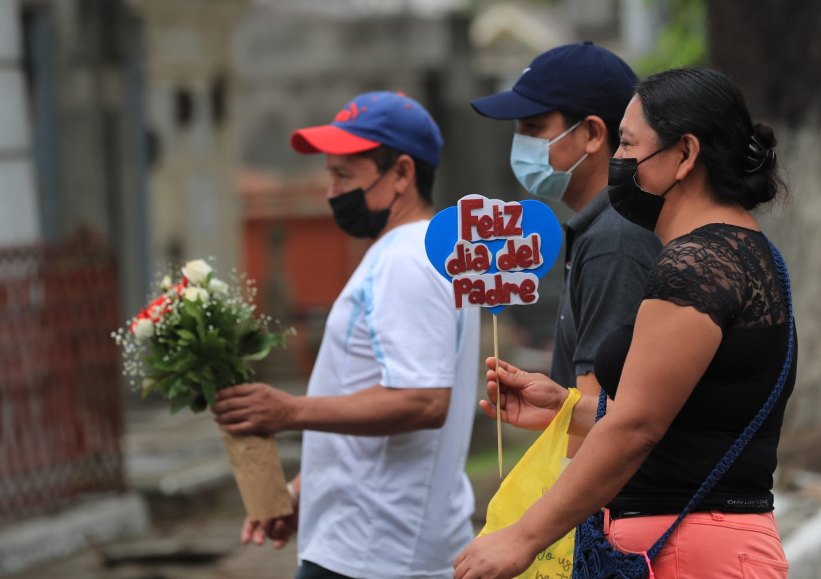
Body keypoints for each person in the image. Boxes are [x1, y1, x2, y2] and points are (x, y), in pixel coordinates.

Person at [454, 67, 795, 579]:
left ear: (685, 154)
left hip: (686, 552)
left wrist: (521, 538)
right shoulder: (742, 250)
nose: (616, 160)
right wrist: (569, 409)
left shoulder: (696, 263)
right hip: (708, 545)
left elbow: (637, 429)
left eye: (628, 145)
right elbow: (689, 417)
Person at [213, 91, 481, 579]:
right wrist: (306, 487)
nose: (332, 192)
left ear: (402, 173)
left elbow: (423, 400)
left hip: (376, 551)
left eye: (345, 176)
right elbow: (365, 393)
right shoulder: (423, 252)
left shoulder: (407, 261)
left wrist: (289, 411)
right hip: (370, 538)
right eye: (329, 175)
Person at [470, 41, 662, 456]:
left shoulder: (615, 239)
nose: (520, 144)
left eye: (534, 129)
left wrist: (547, 520)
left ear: (593, 134)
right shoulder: (603, 227)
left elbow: (595, 429)